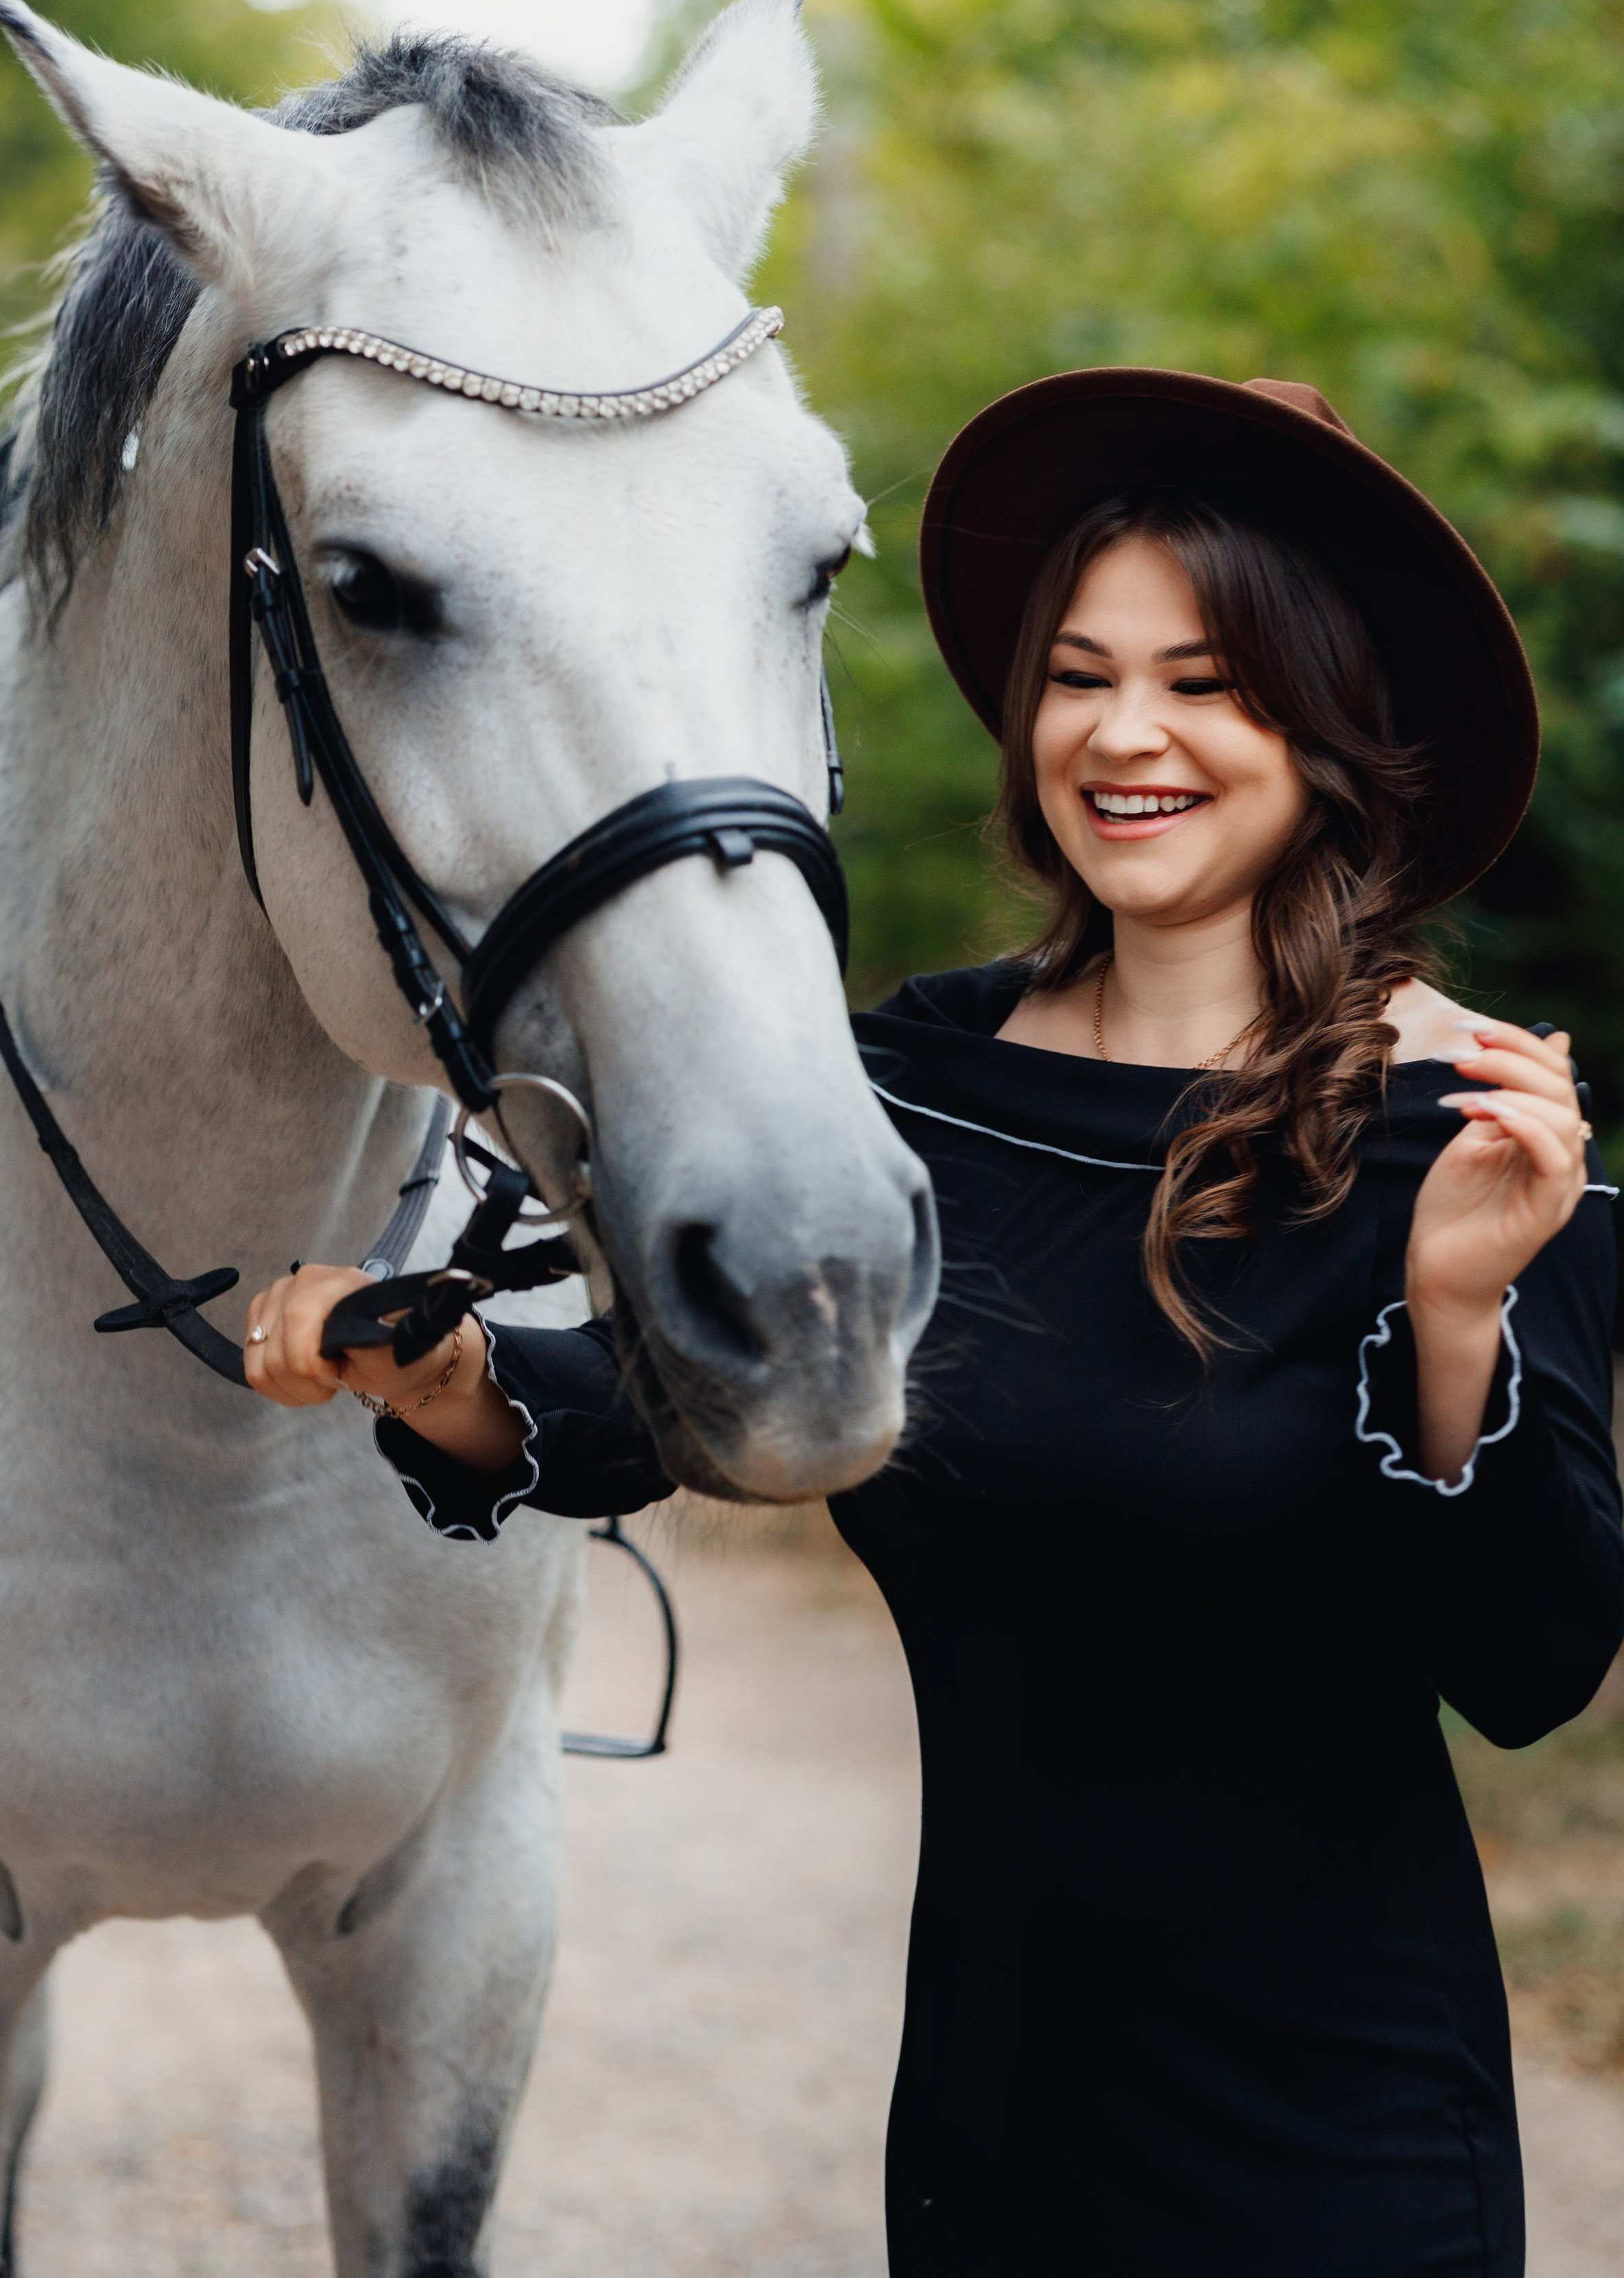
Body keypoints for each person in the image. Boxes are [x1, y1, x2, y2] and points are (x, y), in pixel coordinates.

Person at [244, 368, 1624, 2278]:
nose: (1123, 733)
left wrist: (1457, 1310)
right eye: (1079, 674)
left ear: (1328, 731)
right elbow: (679, 1403)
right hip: (992, 2132)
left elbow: (1533, 1661)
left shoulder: (1469, 1134)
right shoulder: (914, 1087)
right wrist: (444, 1371)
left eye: (1208, 683)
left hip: (1346, 2150)